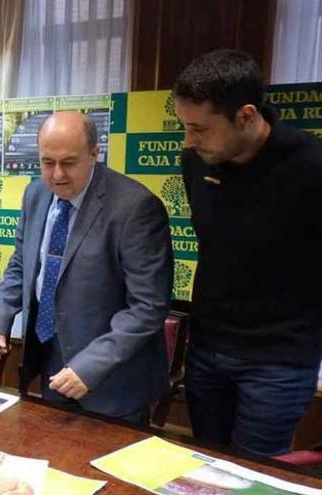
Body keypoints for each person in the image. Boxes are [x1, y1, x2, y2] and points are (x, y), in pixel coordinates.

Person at [173, 49, 322, 456]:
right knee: (203, 465)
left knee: (251, 477)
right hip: (207, 350)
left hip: (278, 361)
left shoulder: (311, 168)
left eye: (200, 128)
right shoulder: (195, 161)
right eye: (185, 127)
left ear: (246, 116)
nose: (189, 140)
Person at [0, 111, 173, 424]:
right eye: (47, 162)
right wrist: (1, 314)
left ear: (94, 154)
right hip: (50, 363)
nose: (57, 174)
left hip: (113, 380)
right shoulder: (36, 194)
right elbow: (23, 261)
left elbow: (148, 307)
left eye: (69, 162)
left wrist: (89, 367)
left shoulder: (135, 208)